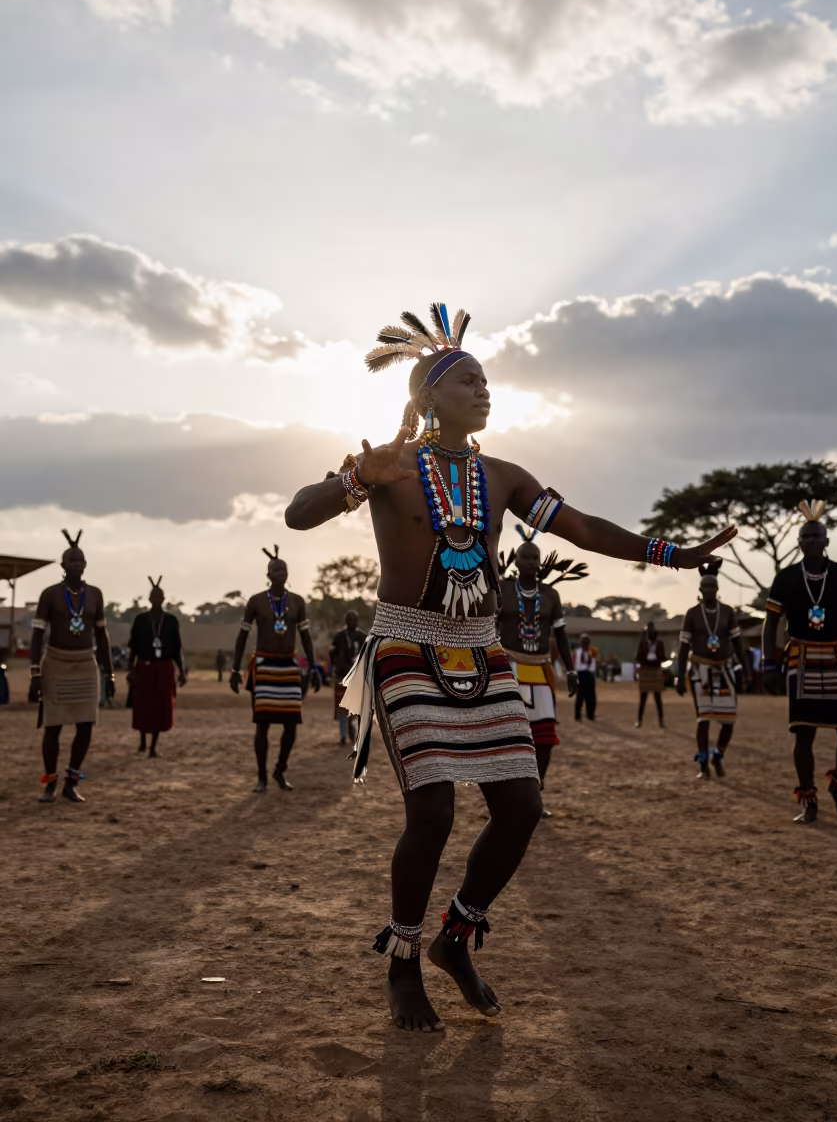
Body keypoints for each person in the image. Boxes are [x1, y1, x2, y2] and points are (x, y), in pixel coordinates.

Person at [284, 301, 734, 1032]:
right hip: (405, 647)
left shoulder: (503, 475)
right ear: (428, 397)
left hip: (484, 653)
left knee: (522, 807)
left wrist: (672, 554)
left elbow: (582, 528)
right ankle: (403, 961)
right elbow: (298, 515)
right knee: (432, 811)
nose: (485, 391)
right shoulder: (392, 467)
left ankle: (456, 937)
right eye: (470, 381)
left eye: (488, 381)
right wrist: (357, 479)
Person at [763, 501, 837, 824]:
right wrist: (768, 664)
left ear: (826, 541)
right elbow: (771, 623)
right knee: (803, 733)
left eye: (815, 536)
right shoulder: (787, 578)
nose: (810, 541)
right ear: (799, 542)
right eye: (804, 536)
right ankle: (809, 800)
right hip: (801, 659)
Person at [28, 530, 114, 803]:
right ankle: (50, 783)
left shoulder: (96, 595)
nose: (76, 563)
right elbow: (37, 635)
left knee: (86, 725)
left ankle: (71, 782)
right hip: (55, 663)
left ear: (86, 564)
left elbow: (102, 635)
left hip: (86, 664)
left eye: (80, 560)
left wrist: (109, 673)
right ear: (62, 565)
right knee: (53, 726)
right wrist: (35, 673)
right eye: (71, 560)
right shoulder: (50, 595)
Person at [230, 546, 321, 792]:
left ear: (287, 573)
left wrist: (312, 667)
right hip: (264, 666)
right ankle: (261, 777)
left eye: (283, 568)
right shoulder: (256, 602)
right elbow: (242, 636)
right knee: (262, 725)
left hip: (288, 666)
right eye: (275, 569)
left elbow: (306, 637)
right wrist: (235, 669)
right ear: (268, 575)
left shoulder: (297, 602)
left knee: (291, 725)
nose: (280, 572)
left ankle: (280, 770)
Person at [499, 538, 577, 807]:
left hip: (541, 670)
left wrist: (571, 669)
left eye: (536, 557)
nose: (532, 562)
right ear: (517, 561)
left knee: (544, 737)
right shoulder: (503, 590)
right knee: (509, 737)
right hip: (509, 668)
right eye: (527, 557)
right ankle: (507, 797)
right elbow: (484, 626)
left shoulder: (550, 595)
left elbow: (562, 635)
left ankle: (535, 794)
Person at [676, 561, 749, 779]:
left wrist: (745, 672)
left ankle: (719, 754)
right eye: (705, 587)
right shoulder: (692, 614)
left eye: (712, 587)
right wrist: (680, 677)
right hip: (700, 670)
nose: (708, 590)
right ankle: (704, 763)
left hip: (724, 670)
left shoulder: (727, 612)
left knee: (729, 720)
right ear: (699, 589)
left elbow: (738, 644)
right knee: (704, 719)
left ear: (717, 589)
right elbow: (683, 648)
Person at [127, 576, 187, 758]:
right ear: (150, 599)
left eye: (159, 596)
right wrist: (130, 669)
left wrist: (182, 671)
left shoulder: (170, 621)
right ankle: (143, 741)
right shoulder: (141, 620)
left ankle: (153, 746)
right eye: (154, 597)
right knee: (143, 704)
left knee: (161, 705)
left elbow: (176, 648)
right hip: (144, 666)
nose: (156, 600)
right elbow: (134, 647)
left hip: (164, 666)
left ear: (163, 599)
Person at [330, 610, 366, 744]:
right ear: (345, 621)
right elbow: (332, 653)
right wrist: (337, 665)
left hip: (357, 677)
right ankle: (343, 735)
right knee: (341, 707)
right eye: (349, 619)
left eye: (354, 619)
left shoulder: (363, 637)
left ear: (357, 621)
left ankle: (353, 730)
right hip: (341, 676)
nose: (352, 622)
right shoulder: (339, 636)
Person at [635, 622, 666, 728]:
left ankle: (661, 721)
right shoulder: (642, 643)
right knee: (643, 698)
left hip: (656, 670)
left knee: (658, 698)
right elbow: (638, 657)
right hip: (645, 670)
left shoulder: (660, 644)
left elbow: (663, 657)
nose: (651, 634)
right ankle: (639, 721)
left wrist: (656, 659)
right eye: (649, 632)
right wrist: (645, 660)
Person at [574, 634, 599, 722]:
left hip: (589, 674)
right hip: (581, 674)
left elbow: (594, 662)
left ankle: (590, 714)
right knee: (580, 695)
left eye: (587, 641)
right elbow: (576, 664)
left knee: (591, 696)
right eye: (584, 641)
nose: (585, 643)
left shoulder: (592, 651)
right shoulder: (578, 652)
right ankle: (577, 715)